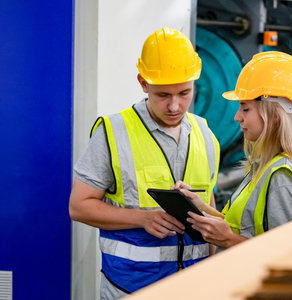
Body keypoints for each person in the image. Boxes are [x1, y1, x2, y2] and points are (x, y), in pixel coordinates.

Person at [68, 27, 220, 299]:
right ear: (143, 82)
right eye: (163, 95)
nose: (175, 106)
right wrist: (142, 218)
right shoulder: (113, 132)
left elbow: (209, 207)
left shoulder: (205, 134)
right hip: (131, 289)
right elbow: (79, 206)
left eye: (184, 93)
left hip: (195, 289)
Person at [174, 51, 292, 249]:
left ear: (275, 115)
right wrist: (201, 208)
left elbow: (288, 254)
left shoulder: (282, 178)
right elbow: (246, 228)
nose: (237, 117)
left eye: (245, 109)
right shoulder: (269, 165)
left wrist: (228, 240)